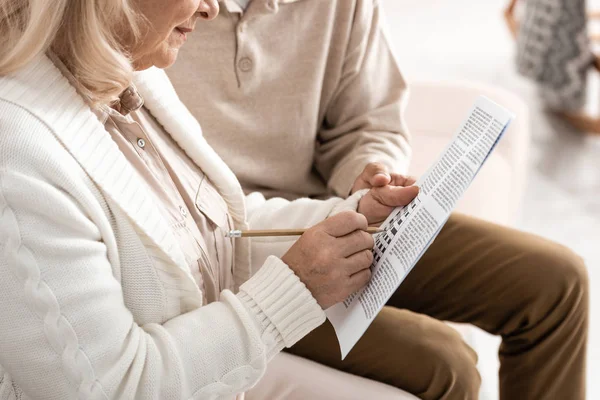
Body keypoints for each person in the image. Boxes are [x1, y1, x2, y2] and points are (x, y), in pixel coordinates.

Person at [167, 0, 590, 399]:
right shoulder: (149, 17)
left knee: (557, 284)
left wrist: (368, 172)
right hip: (220, 254)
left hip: (338, 218)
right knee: (446, 363)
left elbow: (369, 119)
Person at [0, 0, 420, 398]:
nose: (212, 8)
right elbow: (117, 388)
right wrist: (295, 290)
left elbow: (216, 229)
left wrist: (349, 213)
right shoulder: (17, 156)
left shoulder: (131, 74)